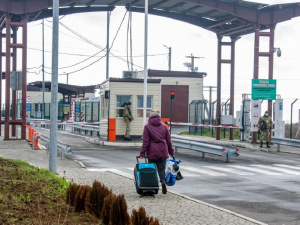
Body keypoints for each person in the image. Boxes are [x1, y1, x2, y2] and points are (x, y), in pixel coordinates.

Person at [140, 109, 174, 194]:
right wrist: (171, 151)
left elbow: (146, 142)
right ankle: (162, 181)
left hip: (152, 152)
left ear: (150, 116)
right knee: (161, 169)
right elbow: (169, 140)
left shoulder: (147, 126)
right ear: (159, 117)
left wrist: (142, 153)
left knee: (152, 169)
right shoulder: (164, 126)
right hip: (163, 150)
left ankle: (153, 186)